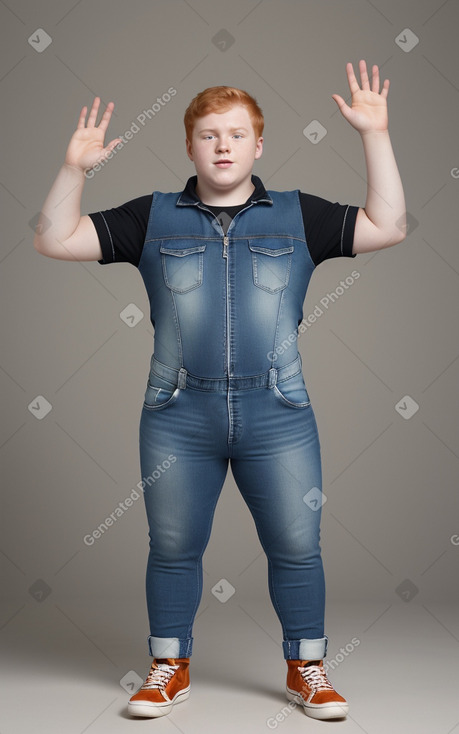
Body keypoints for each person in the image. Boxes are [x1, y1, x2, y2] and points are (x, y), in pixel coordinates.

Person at [34, 60, 406, 721]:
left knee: (297, 544)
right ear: (189, 146)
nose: (224, 145)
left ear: (258, 145)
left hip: (279, 413)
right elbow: (53, 238)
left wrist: (374, 134)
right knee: (172, 545)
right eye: (209, 134)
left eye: (236, 134)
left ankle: (307, 668)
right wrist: (75, 169)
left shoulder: (299, 216)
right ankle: (166, 668)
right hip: (178, 414)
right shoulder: (151, 217)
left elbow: (390, 225)